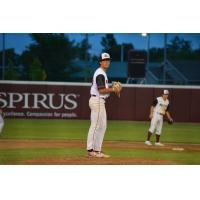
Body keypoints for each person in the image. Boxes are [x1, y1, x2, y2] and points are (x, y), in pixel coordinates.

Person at [86, 52, 121, 158]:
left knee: (102, 126)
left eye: (108, 60)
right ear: (100, 62)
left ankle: (97, 150)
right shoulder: (100, 73)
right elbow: (101, 90)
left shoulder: (102, 73)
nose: (106, 62)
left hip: (99, 101)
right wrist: (113, 89)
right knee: (96, 126)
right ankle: (91, 150)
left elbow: (103, 89)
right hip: (97, 100)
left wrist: (111, 87)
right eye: (104, 60)